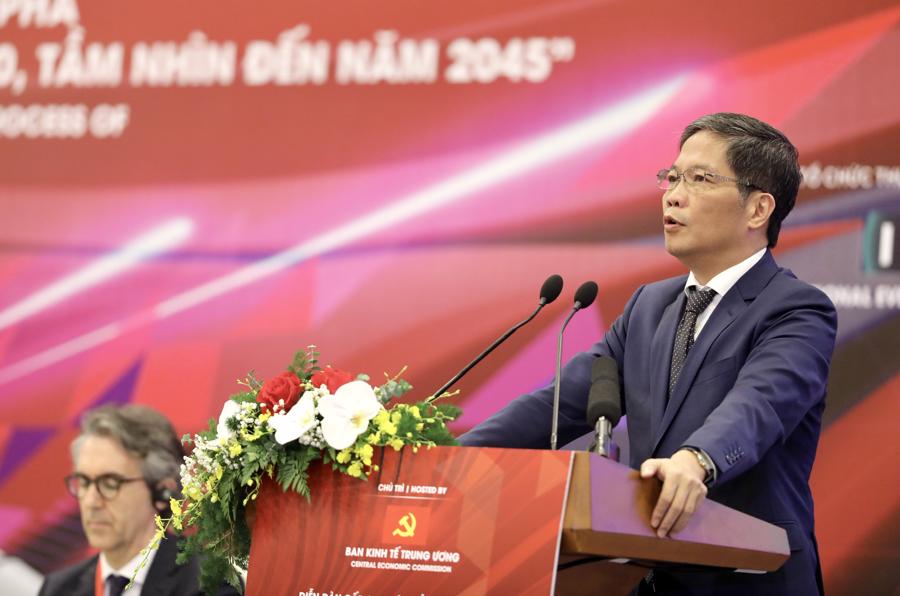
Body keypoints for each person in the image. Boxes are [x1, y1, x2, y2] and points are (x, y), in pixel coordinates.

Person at [460, 113, 836, 595]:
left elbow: (759, 404)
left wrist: (696, 460)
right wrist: (449, 460)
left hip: (749, 581)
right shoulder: (648, 306)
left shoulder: (796, 310)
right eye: (672, 177)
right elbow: (558, 403)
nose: (674, 195)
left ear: (758, 209)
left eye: (700, 179)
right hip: (649, 578)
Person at [38, 404, 240, 596]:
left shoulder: (209, 585)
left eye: (110, 483)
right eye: (84, 482)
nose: (91, 502)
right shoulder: (58, 589)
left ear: (162, 492)